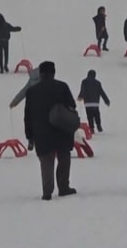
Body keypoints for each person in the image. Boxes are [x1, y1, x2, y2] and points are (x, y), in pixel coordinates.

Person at [24, 61, 78, 200]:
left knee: (46, 162)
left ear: (40, 74)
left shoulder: (32, 92)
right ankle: (64, 187)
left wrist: (30, 136)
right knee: (64, 158)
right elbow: (72, 105)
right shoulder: (62, 87)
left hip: (41, 132)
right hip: (61, 129)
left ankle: (47, 191)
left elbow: (27, 116)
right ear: (53, 73)